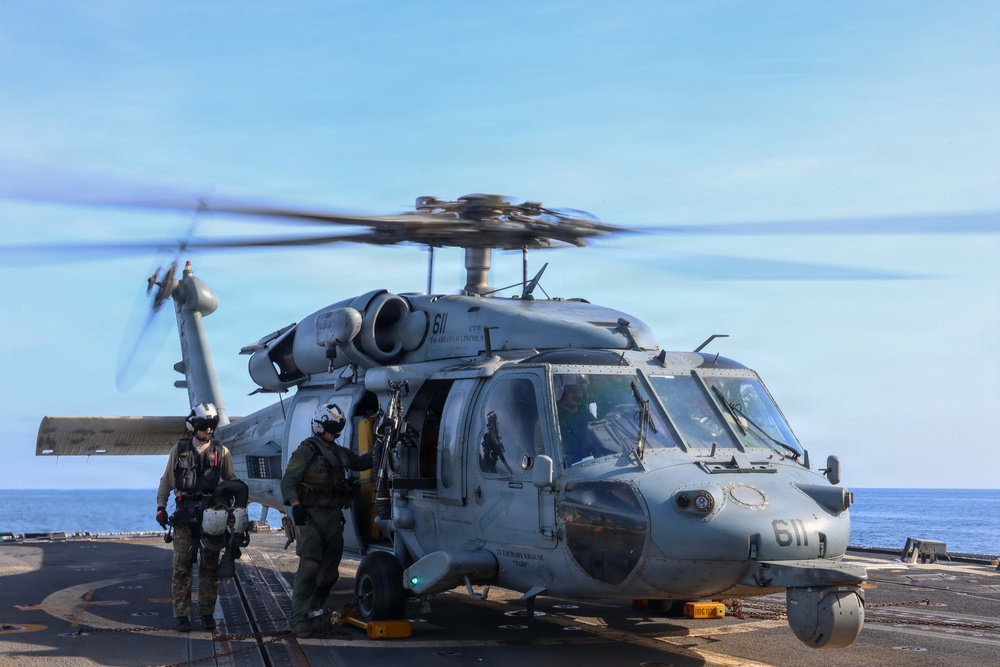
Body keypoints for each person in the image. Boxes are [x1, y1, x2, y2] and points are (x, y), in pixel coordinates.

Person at [281, 403, 373, 637]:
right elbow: (288, 481)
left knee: (330, 572)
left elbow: (361, 463)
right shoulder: (306, 452)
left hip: (333, 518)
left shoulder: (338, 452)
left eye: (338, 429)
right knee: (310, 567)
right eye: (332, 429)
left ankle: (314, 612)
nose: (336, 434)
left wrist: (382, 446)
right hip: (311, 518)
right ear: (320, 427)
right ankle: (298, 618)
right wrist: (295, 505)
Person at [156, 402, 238, 633]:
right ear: (194, 426)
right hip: (184, 516)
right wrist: (161, 507)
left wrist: (234, 511)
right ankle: (182, 615)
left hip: (212, 517)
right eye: (203, 425)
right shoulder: (179, 450)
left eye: (211, 424)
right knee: (181, 567)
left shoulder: (221, 452)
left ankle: (206, 614)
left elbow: (231, 482)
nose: (208, 429)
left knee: (209, 567)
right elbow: (167, 481)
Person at [556, 375, 595, 465]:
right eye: (573, 390)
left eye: (580, 390)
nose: (578, 394)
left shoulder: (585, 415)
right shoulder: (550, 421)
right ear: (560, 392)